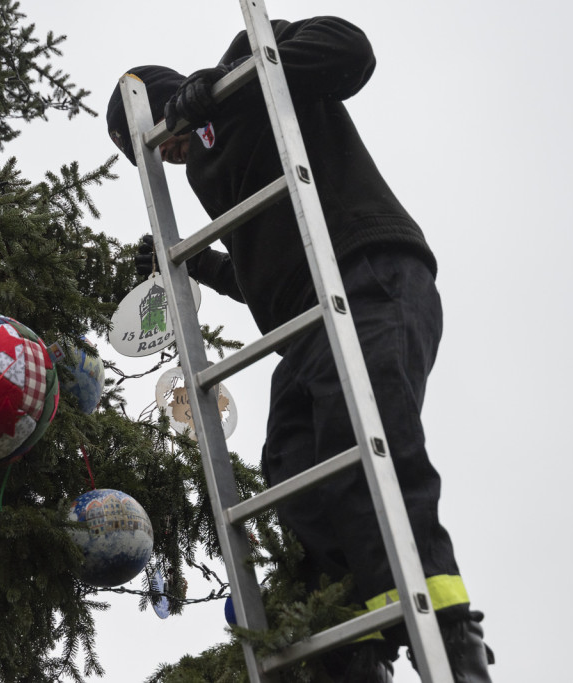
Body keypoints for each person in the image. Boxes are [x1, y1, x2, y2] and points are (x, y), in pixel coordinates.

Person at [106, 16, 493, 683]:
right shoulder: (205, 170)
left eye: (157, 144)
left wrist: (234, 81)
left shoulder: (252, 73)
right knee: (292, 470)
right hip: (304, 326)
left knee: (366, 437)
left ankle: (448, 626)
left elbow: (352, 52)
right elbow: (264, 271)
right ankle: (355, 643)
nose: (166, 157)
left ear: (169, 105)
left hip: (370, 279)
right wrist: (193, 267)